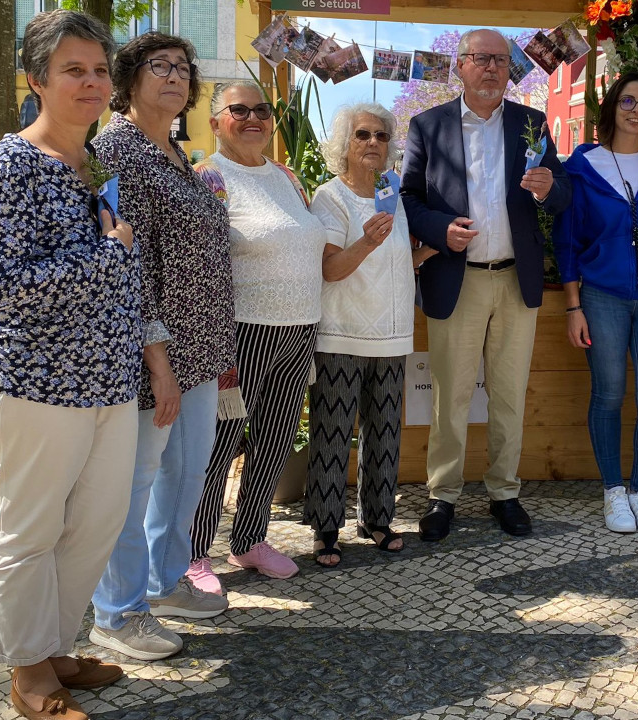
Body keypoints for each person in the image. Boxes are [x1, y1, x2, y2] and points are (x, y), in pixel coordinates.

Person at [0, 10, 137, 720]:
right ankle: (29, 672)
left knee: (94, 525)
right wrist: (110, 253)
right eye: (74, 70)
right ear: (36, 81)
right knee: (31, 529)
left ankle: (55, 644)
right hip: (34, 380)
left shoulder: (91, 163)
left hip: (106, 380)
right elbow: (1, 283)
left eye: (99, 70)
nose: (91, 82)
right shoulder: (11, 164)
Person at [87, 32, 234, 662]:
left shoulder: (176, 152)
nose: (174, 77)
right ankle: (117, 613)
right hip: (157, 353)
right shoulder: (118, 150)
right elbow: (132, 267)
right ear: (128, 80)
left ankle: (165, 582)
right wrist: (160, 362)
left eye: (182, 69)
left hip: (201, 347)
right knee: (137, 479)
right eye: (159, 67)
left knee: (189, 472)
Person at [401, 28, 571, 541]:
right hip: (458, 278)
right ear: (461, 66)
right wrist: (439, 230)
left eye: (501, 60)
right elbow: (408, 199)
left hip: (514, 279)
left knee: (509, 394)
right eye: (482, 59)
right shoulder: (427, 126)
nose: (493, 68)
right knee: (449, 395)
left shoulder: (532, 123)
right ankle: (442, 495)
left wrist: (548, 189)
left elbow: (561, 192)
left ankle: (504, 492)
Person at [186, 80, 324, 590]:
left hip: (298, 328)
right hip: (240, 333)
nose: (252, 119)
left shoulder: (286, 175)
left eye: (261, 110)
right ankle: (194, 552)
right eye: (237, 110)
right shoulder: (206, 178)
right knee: (219, 445)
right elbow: (199, 266)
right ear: (215, 120)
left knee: (274, 442)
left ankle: (249, 540)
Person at [553, 71, 638, 535]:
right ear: (612, 106)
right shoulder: (582, 167)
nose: (636, 110)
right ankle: (613, 491)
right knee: (607, 393)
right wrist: (572, 305)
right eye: (628, 100)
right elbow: (566, 241)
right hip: (601, 297)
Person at [302, 103, 413, 567]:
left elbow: (400, 256)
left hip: (392, 331)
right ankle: (327, 528)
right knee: (332, 431)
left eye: (381, 136)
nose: (373, 143)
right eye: (363, 135)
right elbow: (328, 269)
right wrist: (366, 241)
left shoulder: (392, 190)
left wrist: (437, 249)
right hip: (343, 333)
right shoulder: (329, 197)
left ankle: (377, 518)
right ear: (344, 145)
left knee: (385, 431)